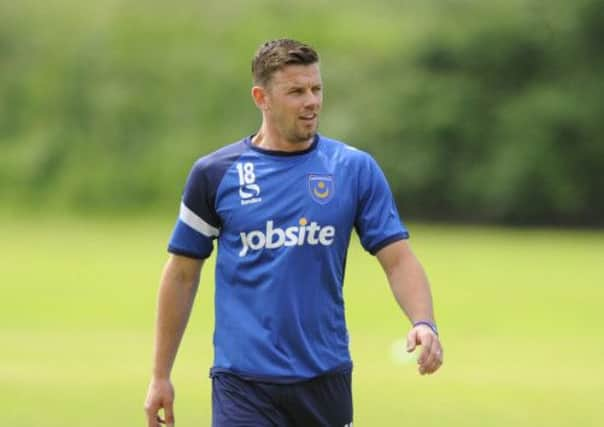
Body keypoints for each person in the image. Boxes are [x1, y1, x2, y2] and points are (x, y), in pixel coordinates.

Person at [144, 38, 443, 427]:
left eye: (316, 89)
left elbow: (398, 259)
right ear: (261, 97)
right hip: (243, 383)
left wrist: (423, 321)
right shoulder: (215, 174)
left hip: (325, 377)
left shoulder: (353, 169)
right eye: (296, 92)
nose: (312, 101)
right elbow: (182, 274)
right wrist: (160, 375)